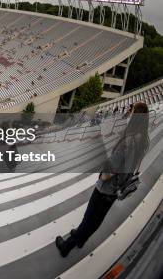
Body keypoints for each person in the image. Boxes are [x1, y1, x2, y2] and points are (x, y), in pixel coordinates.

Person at [55, 102, 150, 257]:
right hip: (118, 188)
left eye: (131, 111)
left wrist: (102, 175)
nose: (128, 113)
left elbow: (109, 171)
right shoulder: (143, 140)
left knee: (89, 218)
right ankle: (81, 239)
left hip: (106, 187)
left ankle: (67, 246)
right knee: (97, 219)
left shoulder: (127, 140)